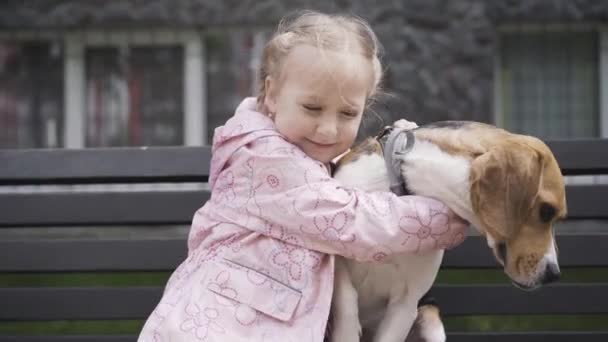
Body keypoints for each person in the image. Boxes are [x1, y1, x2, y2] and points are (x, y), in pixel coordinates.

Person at [138, 10, 467, 342]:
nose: (327, 128)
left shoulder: (301, 160)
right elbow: (349, 219)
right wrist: (454, 211)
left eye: (348, 113)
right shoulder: (263, 160)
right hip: (211, 330)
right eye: (312, 108)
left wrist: (395, 152)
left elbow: (339, 182)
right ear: (271, 94)